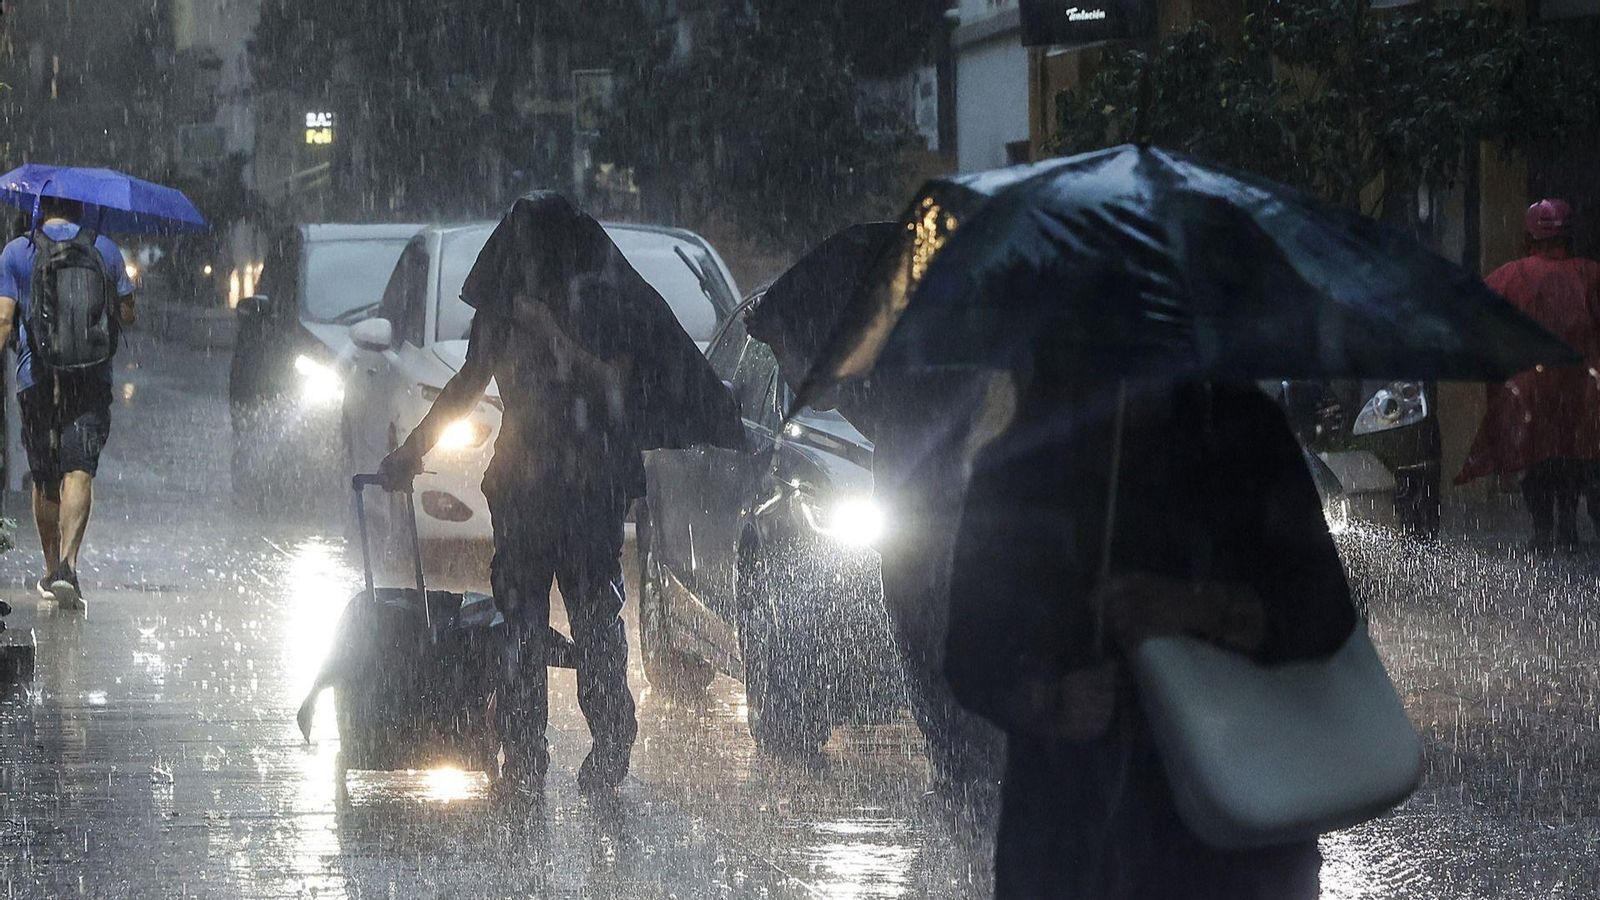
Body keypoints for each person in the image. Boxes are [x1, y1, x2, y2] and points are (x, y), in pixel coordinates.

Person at [377, 193, 740, 793]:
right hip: (524, 487)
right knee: (521, 624)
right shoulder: (503, 311)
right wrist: (411, 454)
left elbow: (614, 383)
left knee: (593, 617)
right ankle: (524, 751)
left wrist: (553, 333)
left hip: (588, 486)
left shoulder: (602, 303)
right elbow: (467, 385)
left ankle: (610, 740)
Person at [943, 374, 1357, 899]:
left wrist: (1199, 608)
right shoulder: (1024, 465)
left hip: (1237, 835)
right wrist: (1048, 700)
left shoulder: (1244, 435)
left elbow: (1325, 614)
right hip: (1075, 839)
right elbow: (969, 650)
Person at [0, 196, 135, 611]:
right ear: (81, 209)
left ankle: (49, 566)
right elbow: (128, 314)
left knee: (44, 474)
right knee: (79, 470)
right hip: (91, 376)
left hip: (35, 377)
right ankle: (69, 568)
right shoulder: (106, 250)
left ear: (42, 208)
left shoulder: (18, 252)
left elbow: (4, 319)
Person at [1457, 199, 1600, 551]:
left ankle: (1542, 531)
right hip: (1581, 389)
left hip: (1529, 389)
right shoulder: (1591, 275)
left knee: (1537, 460)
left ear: (1528, 237)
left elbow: (1475, 314)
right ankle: (1567, 528)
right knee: (1573, 457)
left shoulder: (1510, 275)